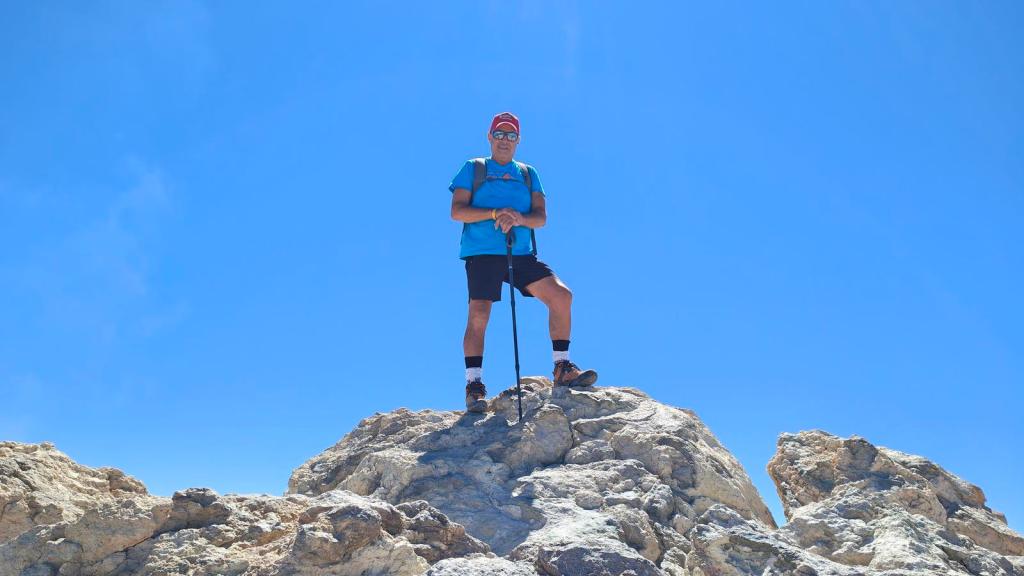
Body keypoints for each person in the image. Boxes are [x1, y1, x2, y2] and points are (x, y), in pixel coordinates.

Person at [449, 112, 598, 413]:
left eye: (511, 135)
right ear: (490, 137)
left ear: (518, 141)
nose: (504, 140)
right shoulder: (474, 168)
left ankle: (562, 367)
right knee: (479, 313)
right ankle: (474, 385)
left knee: (561, 296)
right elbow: (458, 211)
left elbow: (540, 218)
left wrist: (517, 218)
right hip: (482, 252)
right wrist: (495, 213)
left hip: (520, 253)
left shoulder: (528, 174)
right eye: (499, 134)